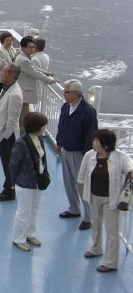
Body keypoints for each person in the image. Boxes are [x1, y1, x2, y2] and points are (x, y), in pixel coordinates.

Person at [78, 129, 133, 273]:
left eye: (96, 141)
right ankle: (96, 248)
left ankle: (110, 262)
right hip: (94, 196)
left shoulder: (121, 157)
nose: (93, 143)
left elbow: (129, 169)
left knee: (111, 230)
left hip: (111, 199)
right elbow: (82, 176)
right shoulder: (90, 155)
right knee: (95, 224)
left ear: (106, 145)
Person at [56, 79, 98, 230]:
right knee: (68, 182)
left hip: (80, 153)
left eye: (66, 92)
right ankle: (74, 208)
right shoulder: (66, 107)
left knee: (82, 184)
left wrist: (87, 155)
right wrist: (59, 142)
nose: (64, 94)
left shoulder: (88, 111)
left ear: (76, 94)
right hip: (66, 150)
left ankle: (89, 216)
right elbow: (61, 125)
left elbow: (90, 135)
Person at [9, 112, 50, 252]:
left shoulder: (40, 139)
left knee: (34, 208)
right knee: (23, 211)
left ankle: (30, 233)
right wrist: (13, 181)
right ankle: (18, 239)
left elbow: (43, 159)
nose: (44, 128)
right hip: (25, 182)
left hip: (37, 181)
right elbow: (13, 164)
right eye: (43, 126)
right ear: (36, 127)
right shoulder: (21, 143)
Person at [0, 64, 23, 202]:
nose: (1, 74)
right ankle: (9, 186)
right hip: (5, 134)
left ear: (12, 75)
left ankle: (9, 190)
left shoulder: (14, 94)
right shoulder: (7, 88)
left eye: (4, 72)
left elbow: (13, 119)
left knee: (9, 163)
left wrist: (5, 136)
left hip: (8, 136)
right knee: (7, 162)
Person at [14, 36, 58, 134]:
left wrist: (47, 73)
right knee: (22, 118)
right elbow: (34, 72)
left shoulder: (25, 57)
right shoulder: (23, 60)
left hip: (22, 91)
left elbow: (34, 67)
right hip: (23, 92)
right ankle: (22, 138)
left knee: (23, 115)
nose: (32, 49)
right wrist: (50, 80)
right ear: (23, 47)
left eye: (33, 47)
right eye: (30, 47)